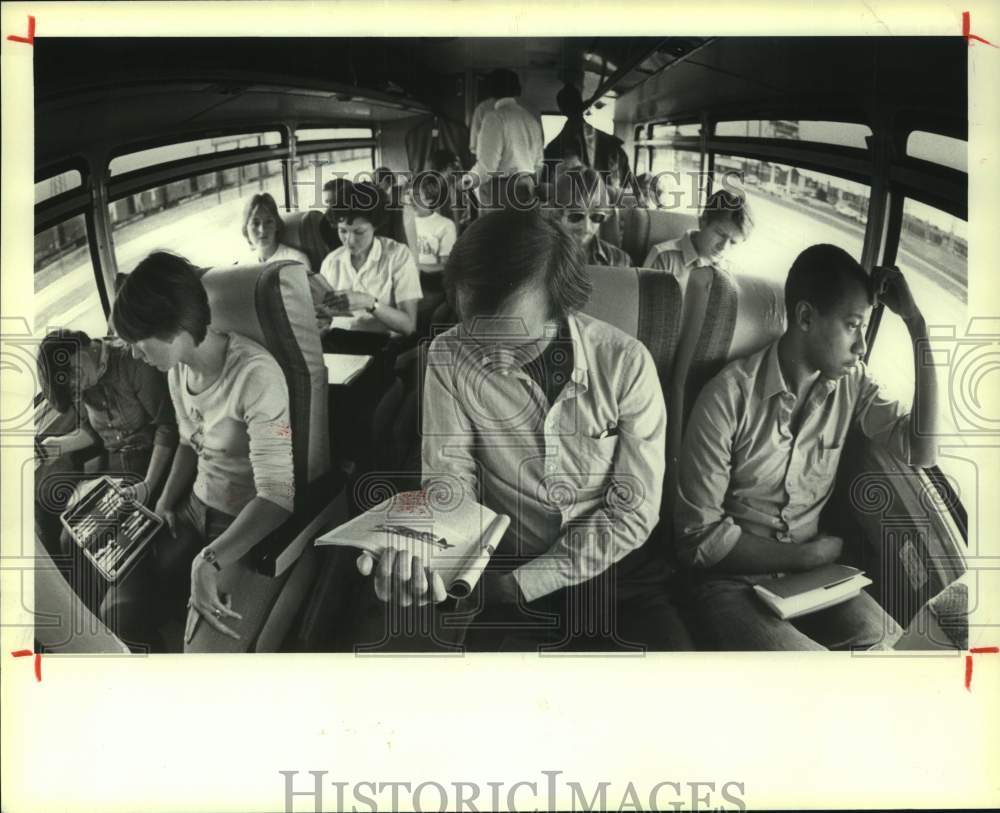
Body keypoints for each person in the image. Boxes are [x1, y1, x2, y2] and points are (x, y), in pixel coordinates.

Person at [354, 208, 692, 652]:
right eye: (479, 338)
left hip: (620, 573)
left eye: (519, 345)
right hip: (507, 566)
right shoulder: (448, 357)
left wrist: (518, 586)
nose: (494, 361)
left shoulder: (626, 364)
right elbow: (450, 480)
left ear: (564, 305)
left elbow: (632, 512)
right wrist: (429, 552)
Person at [675, 245, 938, 650]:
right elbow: (700, 540)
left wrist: (916, 323)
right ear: (804, 318)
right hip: (731, 584)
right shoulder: (728, 398)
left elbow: (921, 451)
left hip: (814, 582)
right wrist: (807, 557)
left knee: (897, 652)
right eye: (852, 326)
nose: (862, 346)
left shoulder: (852, 383)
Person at [104, 251, 295, 652]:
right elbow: (191, 445)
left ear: (172, 327)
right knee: (117, 610)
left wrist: (208, 559)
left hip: (242, 521)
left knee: (205, 651)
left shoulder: (255, 375)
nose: (135, 354)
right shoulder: (178, 371)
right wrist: (164, 504)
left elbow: (278, 498)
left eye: (138, 342)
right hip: (194, 507)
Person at [37, 329, 178, 608]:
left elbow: (167, 426)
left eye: (75, 375)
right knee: (65, 532)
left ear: (81, 348)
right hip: (116, 469)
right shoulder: (84, 382)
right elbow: (93, 429)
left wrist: (149, 484)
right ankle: (84, 615)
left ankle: (103, 614)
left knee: (86, 539)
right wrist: (58, 445)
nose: (78, 386)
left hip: (152, 462)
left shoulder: (132, 363)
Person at [317, 181, 422, 354]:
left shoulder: (398, 256)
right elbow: (323, 319)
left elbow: (409, 326)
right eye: (343, 231)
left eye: (359, 232)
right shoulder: (331, 261)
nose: (349, 241)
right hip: (337, 342)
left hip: (382, 345)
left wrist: (368, 302)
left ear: (375, 226)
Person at [643, 189, 753, 300]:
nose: (723, 247)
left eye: (733, 242)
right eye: (720, 234)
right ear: (704, 220)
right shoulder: (664, 259)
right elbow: (647, 309)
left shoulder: (732, 271)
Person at [467, 69, 544, 210]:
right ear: (518, 90)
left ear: (490, 90)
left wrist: (467, 181)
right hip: (528, 186)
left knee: (494, 231)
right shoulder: (531, 117)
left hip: (500, 189)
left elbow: (486, 166)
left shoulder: (491, 116)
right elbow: (539, 163)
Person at [543, 83, 631, 194]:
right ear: (581, 105)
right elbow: (626, 189)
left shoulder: (554, 148)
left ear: (561, 110)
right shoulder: (613, 146)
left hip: (574, 207)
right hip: (608, 205)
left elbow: (548, 190)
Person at [551, 166, 631, 268]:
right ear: (558, 214)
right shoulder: (536, 261)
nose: (587, 228)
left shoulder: (620, 262)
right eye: (576, 216)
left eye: (596, 217)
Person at [237, 192, 311, 270]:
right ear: (246, 228)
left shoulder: (296, 261)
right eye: (256, 223)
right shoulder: (242, 265)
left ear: (277, 225)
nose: (262, 229)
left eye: (268, 222)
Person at [412, 172, 458, 273]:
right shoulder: (402, 221)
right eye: (408, 194)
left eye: (416, 195)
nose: (410, 200)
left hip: (430, 281)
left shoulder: (446, 225)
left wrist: (416, 267)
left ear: (430, 199)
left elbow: (445, 266)